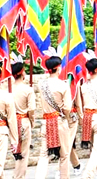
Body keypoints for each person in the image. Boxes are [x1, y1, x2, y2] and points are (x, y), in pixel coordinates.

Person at [34, 48, 73, 179]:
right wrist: (68, 118)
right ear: (58, 67)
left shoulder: (41, 84)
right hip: (60, 122)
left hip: (47, 122)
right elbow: (67, 107)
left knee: (43, 155)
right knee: (64, 154)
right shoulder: (63, 85)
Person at [11, 56, 35, 179]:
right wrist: (32, 121)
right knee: (24, 153)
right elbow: (31, 109)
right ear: (22, 72)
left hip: (12, 122)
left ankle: (17, 175)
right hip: (24, 121)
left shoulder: (8, 89)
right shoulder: (28, 90)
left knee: (16, 151)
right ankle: (19, 176)